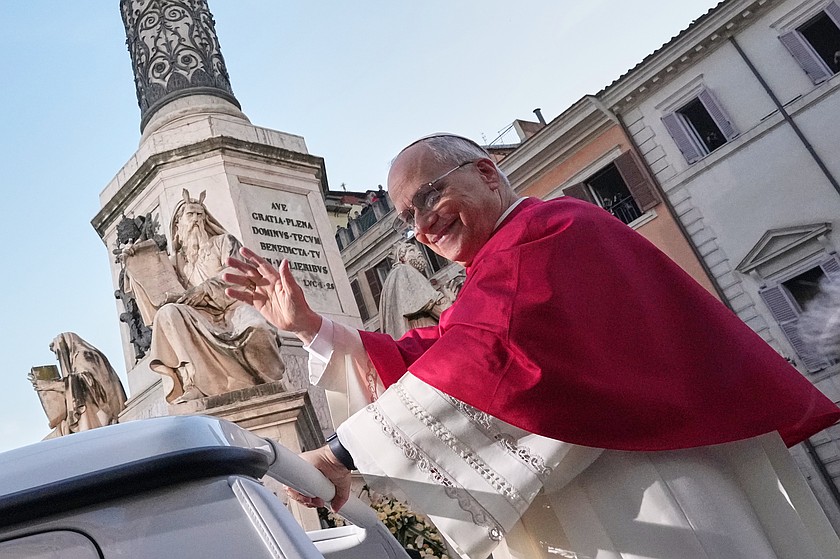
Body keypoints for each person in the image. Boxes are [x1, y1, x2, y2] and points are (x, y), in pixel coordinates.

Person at [225, 134, 840, 559]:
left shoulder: (553, 233)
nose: (422, 226)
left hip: (655, 492)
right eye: (406, 216)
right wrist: (310, 327)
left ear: (487, 173)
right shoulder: (497, 268)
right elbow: (436, 353)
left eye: (429, 197)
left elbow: (488, 360)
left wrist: (339, 456)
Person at [148, 190, 287, 404]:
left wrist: (204, 290)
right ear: (178, 224)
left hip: (234, 306)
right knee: (167, 314)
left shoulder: (224, 242)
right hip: (200, 316)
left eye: (200, 215)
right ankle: (193, 380)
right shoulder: (176, 263)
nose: (196, 220)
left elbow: (239, 274)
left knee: (257, 327)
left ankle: (265, 382)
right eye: (190, 215)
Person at [29, 332, 127, 438]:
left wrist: (50, 385)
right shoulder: (80, 357)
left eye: (58, 353)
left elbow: (85, 384)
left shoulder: (85, 355)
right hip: (89, 410)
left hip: (101, 412)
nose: (58, 358)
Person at [378, 241, 449, 339]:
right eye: (412, 250)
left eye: (417, 250)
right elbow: (433, 304)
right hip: (426, 335)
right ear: (402, 258)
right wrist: (451, 303)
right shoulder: (405, 271)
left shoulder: (392, 279)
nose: (419, 252)